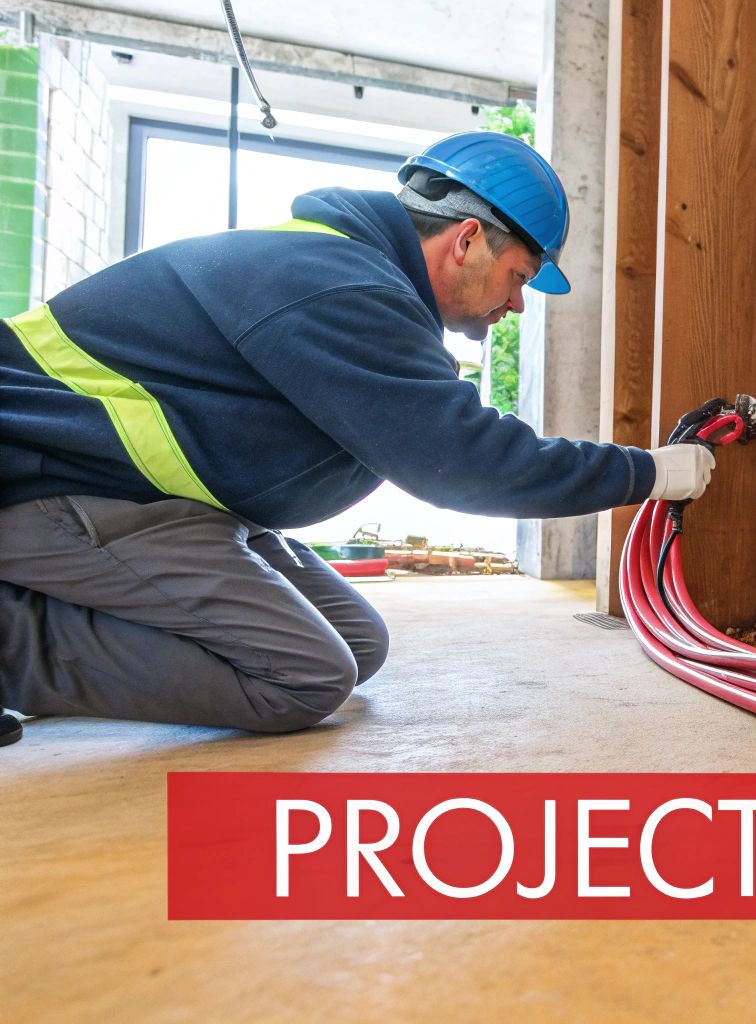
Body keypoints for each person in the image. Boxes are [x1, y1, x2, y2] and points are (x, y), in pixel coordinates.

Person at [0, 130, 714, 746]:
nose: (516, 302)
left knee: (359, 646)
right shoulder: (338, 286)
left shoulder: (357, 276)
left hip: (154, 496)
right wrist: (653, 472)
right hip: (51, 484)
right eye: (518, 275)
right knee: (303, 677)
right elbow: (464, 463)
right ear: (467, 240)